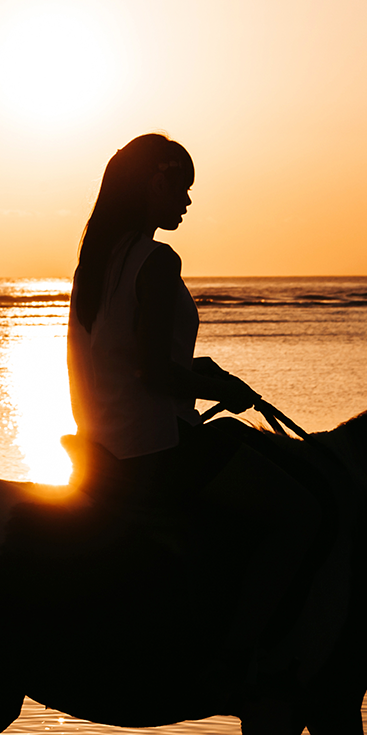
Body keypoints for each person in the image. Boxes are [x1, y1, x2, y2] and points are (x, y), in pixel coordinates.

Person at [66, 133, 261, 502]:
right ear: (158, 184)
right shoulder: (157, 260)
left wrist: (196, 369)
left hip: (101, 445)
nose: (187, 200)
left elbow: (118, 358)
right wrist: (226, 391)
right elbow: (153, 373)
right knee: (284, 500)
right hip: (152, 445)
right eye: (183, 188)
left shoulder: (93, 264)